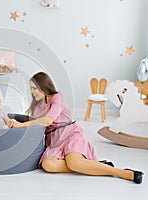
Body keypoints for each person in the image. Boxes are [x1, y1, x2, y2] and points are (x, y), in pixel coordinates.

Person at [10, 72, 144, 184]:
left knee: (74, 163)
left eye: (35, 88)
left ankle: (122, 173)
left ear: (44, 86)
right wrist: (12, 119)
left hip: (69, 134)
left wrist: (21, 125)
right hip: (54, 141)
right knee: (48, 165)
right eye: (31, 88)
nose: (32, 92)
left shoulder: (57, 97)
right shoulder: (36, 105)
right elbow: (34, 122)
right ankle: (94, 165)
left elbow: (47, 120)